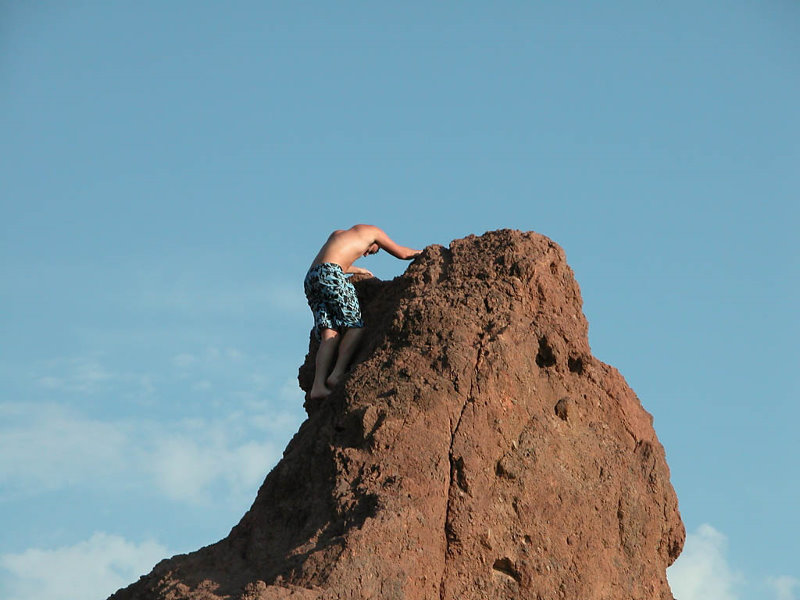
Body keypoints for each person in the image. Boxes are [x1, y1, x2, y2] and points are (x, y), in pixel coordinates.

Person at [304, 224, 421, 400]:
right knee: (355, 327)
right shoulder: (374, 232)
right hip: (331, 274)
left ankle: (318, 386)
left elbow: (333, 261)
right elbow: (403, 253)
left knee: (329, 333)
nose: (366, 254)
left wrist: (358, 270)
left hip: (312, 278)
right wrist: (427, 253)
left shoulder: (338, 234)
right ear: (377, 243)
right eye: (373, 251)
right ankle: (336, 374)